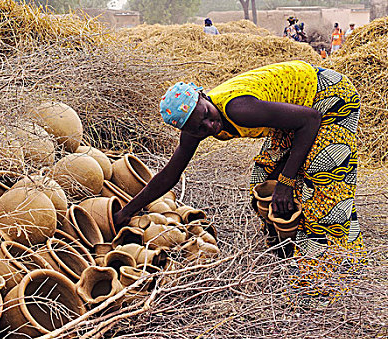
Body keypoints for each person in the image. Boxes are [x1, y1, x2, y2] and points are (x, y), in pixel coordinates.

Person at [114, 61, 366, 306]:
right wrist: (126, 212)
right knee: (264, 180)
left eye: (206, 115)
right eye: (199, 128)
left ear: (203, 95)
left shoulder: (239, 110)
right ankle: (288, 248)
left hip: (328, 98)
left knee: (323, 182)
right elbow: (170, 174)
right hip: (296, 112)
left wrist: (287, 181)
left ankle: (324, 280)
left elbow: (311, 120)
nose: (210, 126)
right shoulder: (194, 128)